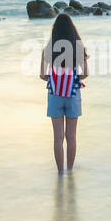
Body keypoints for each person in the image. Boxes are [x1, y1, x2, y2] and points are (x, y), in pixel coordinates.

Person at [41, 12, 88, 173]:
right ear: (71, 29)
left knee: (58, 138)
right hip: (73, 94)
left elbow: (42, 75)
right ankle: (70, 171)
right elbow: (85, 73)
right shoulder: (79, 47)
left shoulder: (48, 49)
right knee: (71, 137)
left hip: (55, 95)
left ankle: (60, 173)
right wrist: (72, 77)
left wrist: (56, 78)